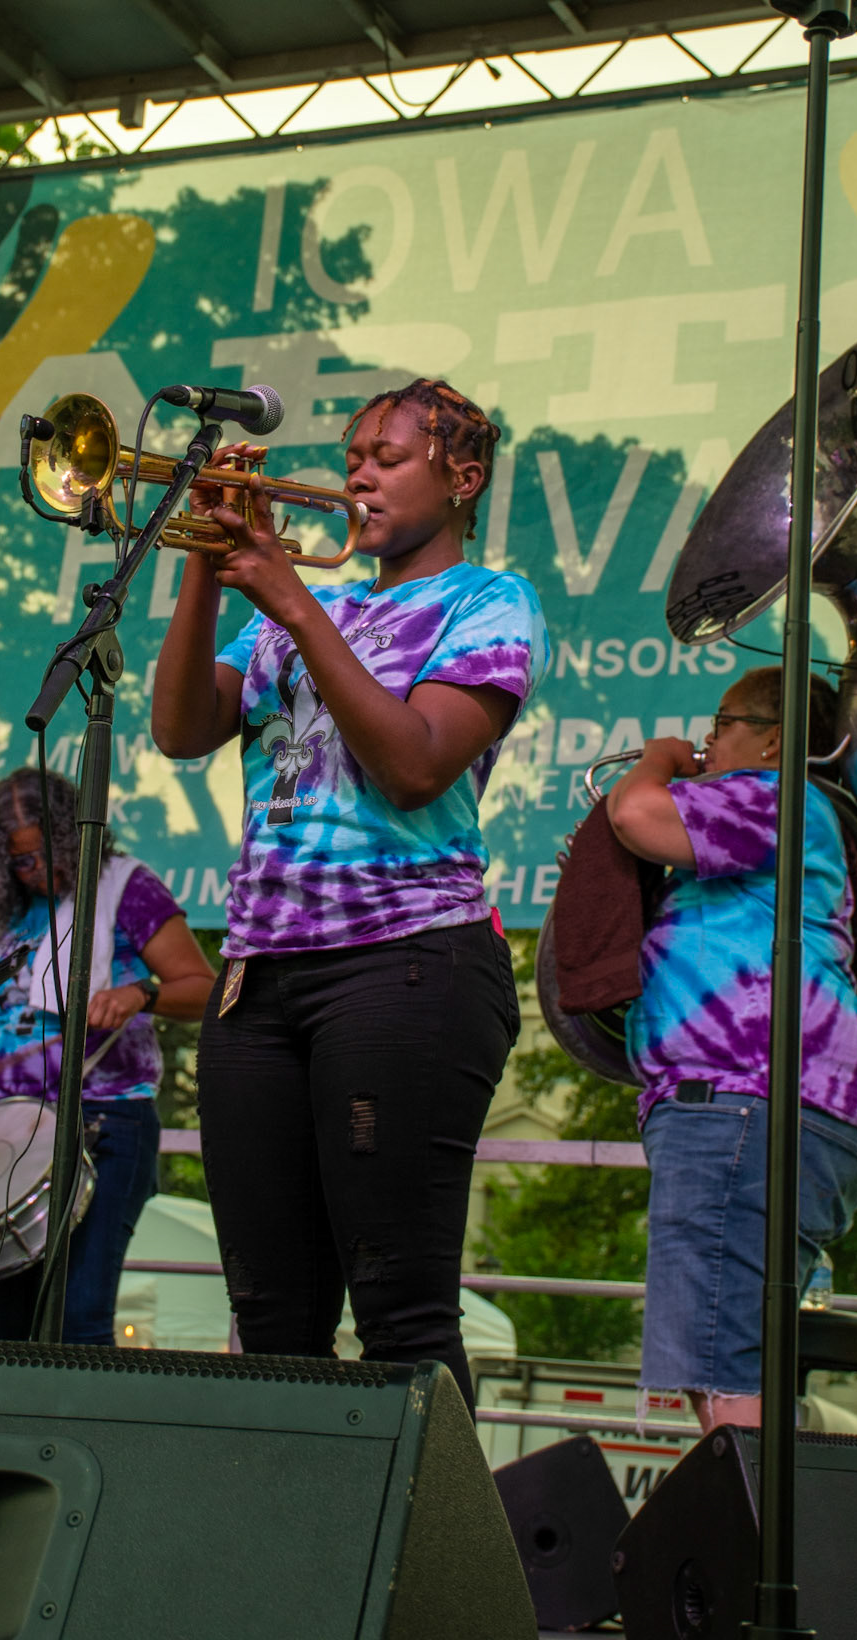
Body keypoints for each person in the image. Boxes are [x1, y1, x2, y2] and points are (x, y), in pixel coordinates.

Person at [151, 377, 549, 1404]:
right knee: (271, 1318)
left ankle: (438, 1561)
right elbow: (184, 727)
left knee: (403, 1311)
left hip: (409, 959)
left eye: (386, 453)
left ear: (461, 478)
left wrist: (282, 587)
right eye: (352, 451)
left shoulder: (488, 599)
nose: (356, 471)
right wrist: (208, 562)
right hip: (262, 975)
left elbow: (416, 764)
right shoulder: (306, 606)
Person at [608, 665, 857, 1431]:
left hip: (744, 1097)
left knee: (723, 1371)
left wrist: (660, 757)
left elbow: (635, 814)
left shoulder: (773, 796)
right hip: (778, 1101)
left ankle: (759, 1542)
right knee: (732, 1355)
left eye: (722, 720)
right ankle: (763, 1534)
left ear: (772, 739)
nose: (708, 736)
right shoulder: (788, 813)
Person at [0, 767, 214, 1343]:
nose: (38, 872)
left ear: (75, 837)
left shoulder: (125, 886)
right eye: (21, 862)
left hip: (104, 1121)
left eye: (48, 854)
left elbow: (204, 988)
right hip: (8, 1127)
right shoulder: (2, 913)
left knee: (78, 1316)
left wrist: (140, 993)